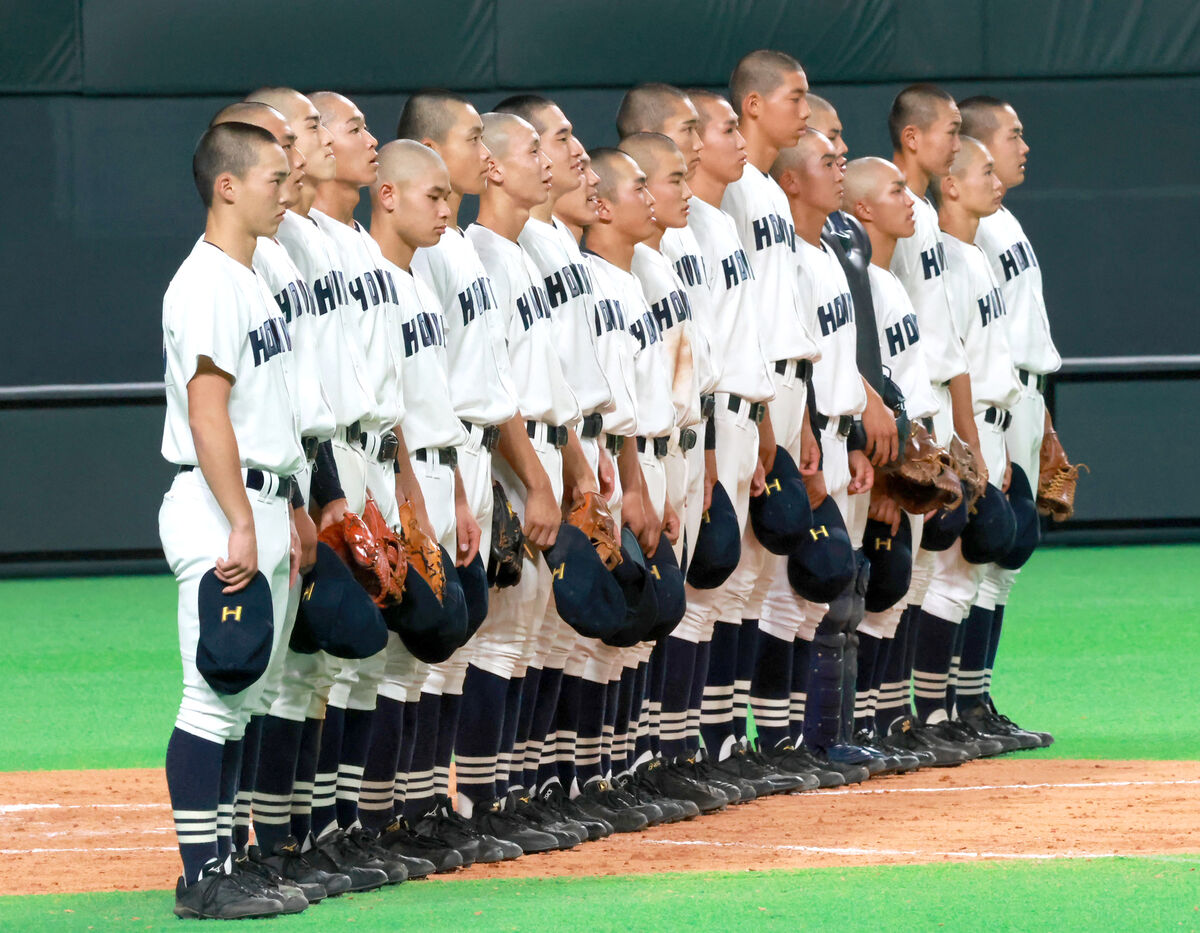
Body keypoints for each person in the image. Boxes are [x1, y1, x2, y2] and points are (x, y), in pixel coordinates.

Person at [160, 121, 302, 919]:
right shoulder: (208, 281)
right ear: (227, 186)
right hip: (221, 507)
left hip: (261, 500)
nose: (286, 192)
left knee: (246, 694)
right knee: (211, 695)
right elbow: (207, 411)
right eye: (273, 178)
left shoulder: (250, 278)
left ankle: (227, 861)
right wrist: (242, 520)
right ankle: (200, 876)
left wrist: (284, 509)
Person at [361, 139, 476, 873]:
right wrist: (407, 497)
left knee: (431, 658)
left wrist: (459, 489)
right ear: (389, 195)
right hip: (397, 482)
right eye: (432, 195)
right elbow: (387, 409)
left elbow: (433, 400)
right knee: (383, 663)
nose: (446, 207)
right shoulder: (371, 279)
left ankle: (416, 806)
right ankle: (371, 820)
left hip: (442, 470)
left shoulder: (419, 278)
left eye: (448, 196)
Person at [713, 49, 821, 775]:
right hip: (748, 389)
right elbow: (738, 317)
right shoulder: (730, 193)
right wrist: (765, 416)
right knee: (725, 573)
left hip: (785, 386)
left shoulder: (768, 197)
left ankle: (740, 734)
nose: (805, 110)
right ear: (753, 104)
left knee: (758, 575)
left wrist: (800, 416)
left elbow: (782, 312)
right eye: (794, 95)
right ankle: (713, 738)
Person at [767, 129, 876, 775]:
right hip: (807, 435)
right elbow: (797, 365)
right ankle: (788, 741)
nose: (839, 168)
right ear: (789, 180)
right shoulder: (792, 262)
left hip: (838, 434)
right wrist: (807, 438)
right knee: (796, 594)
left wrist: (858, 438)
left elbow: (838, 360)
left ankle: (828, 733)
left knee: (840, 589)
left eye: (841, 160)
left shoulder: (828, 252)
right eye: (826, 161)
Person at [883, 84, 984, 763]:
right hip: (906, 410)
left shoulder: (922, 215)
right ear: (914, 137)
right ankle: (883, 716)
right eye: (950, 129)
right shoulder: (896, 214)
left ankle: (906, 716)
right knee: (890, 574)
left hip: (933, 405)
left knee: (920, 571)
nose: (958, 138)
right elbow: (887, 327)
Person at [915, 136, 1022, 756]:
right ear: (950, 183)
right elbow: (949, 359)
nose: (997, 177)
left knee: (974, 568)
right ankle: (932, 714)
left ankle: (962, 705)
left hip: (993, 420)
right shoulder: (942, 258)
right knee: (944, 573)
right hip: (964, 422)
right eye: (984, 167)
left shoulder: (976, 254)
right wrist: (964, 441)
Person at [958, 96, 1058, 747]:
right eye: (1014, 135)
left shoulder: (1003, 220)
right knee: (977, 556)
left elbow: (1027, 331)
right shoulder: (975, 227)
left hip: (1023, 397)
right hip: (990, 404)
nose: (1025, 147)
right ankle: (956, 703)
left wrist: (1043, 417)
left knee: (1007, 558)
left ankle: (975, 697)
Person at [841, 155, 943, 756]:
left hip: (903, 448)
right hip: (872, 460)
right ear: (862, 209)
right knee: (867, 590)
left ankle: (882, 721)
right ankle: (849, 725)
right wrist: (883, 476)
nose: (910, 200)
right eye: (896, 190)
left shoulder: (888, 280)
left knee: (894, 590)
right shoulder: (862, 287)